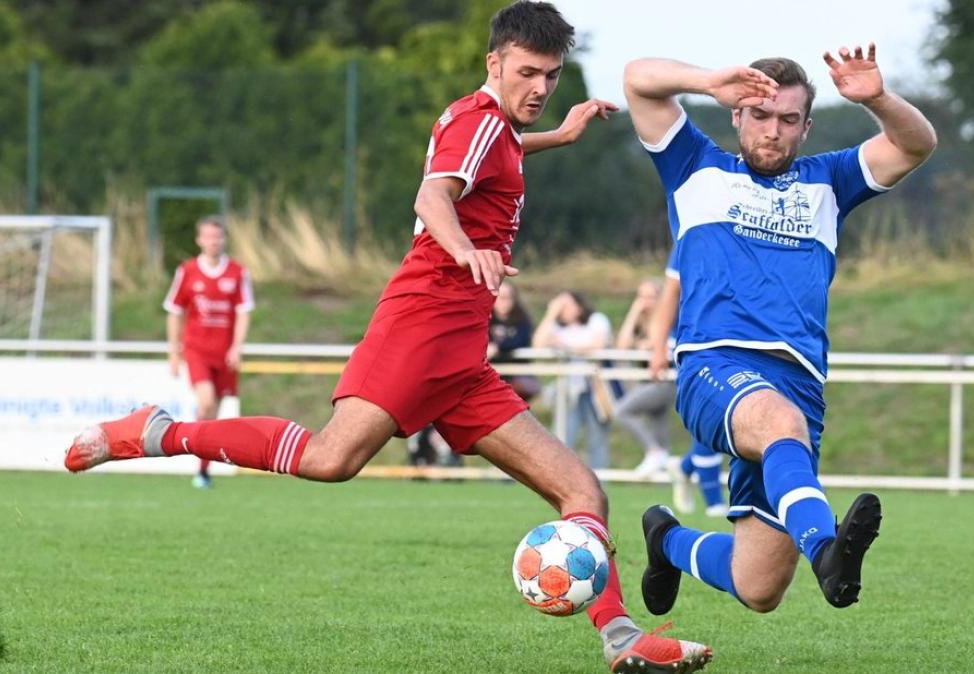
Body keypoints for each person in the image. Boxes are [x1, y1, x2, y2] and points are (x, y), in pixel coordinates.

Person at [64, 3, 710, 672]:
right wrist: (465, 249)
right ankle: (159, 432)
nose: (541, 89)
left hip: (462, 353)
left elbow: (494, 153)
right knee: (329, 460)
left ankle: (623, 641)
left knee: (583, 493)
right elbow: (432, 198)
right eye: (527, 73)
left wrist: (559, 138)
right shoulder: (480, 123)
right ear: (495, 63)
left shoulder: (487, 126)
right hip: (423, 322)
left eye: (550, 75)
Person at [623, 44, 936, 619]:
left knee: (759, 585)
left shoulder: (831, 181)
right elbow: (639, 79)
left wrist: (879, 99)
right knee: (777, 421)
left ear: (806, 125)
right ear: (737, 115)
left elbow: (917, 144)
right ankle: (826, 550)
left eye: (788, 120)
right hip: (716, 366)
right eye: (760, 116)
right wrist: (709, 80)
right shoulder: (695, 165)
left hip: (800, 385)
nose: (774, 131)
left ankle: (666, 541)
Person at [161, 215, 254, 489]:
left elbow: (244, 312)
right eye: (208, 237)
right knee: (206, 402)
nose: (213, 242)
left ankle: (202, 469)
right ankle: (194, 452)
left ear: (223, 239)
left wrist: (237, 347)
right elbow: (174, 312)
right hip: (197, 350)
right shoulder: (187, 271)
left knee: (213, 412)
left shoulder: (238, 272)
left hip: (224, 354)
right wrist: (174, 351)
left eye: (218, 237)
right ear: (199, 240)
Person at [645, 265, 727, 518]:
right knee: (709, 422)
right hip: (697, 349)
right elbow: (671, 292)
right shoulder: (694, 233)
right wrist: (659, 348)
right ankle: (715, 503)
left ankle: (684, 466)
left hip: (735, 345)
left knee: (729, 428)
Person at [532, 290, 613, 470]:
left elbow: (597, 346)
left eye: (566, 305)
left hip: (595, 389)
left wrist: (565, 346)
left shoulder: (596, 320)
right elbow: (538, 344)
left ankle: (600, 484)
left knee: (597, 440)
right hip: (568, 390)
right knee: (562, 438)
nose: (563, 310)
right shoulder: (558, 328)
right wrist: (551, 313)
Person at [612, 279, 678, 478]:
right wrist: (634, 312)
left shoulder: (668, 320)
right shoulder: (640, 320)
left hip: (666, 381)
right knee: (659, 430)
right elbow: (622, 346)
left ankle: (654, 452)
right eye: (641, 296)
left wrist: (650, 344)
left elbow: (664, 344)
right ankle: (665, 461)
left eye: (650, 297)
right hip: (650, 381)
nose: (645, 301)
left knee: (622, 411)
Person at [488, 280, 541, 402]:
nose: (504, 302)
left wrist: (498, 347)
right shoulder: (486, 320)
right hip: (493, 376)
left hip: (517, 375)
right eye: (500, 298)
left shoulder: (522, 321)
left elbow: (520, 341)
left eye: (508, 298)